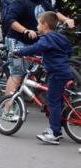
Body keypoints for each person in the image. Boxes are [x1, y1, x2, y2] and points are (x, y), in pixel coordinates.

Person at [3, 0, 75, 110]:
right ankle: (8, 109)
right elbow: (10, 20)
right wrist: (25, 30)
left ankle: (29, 94)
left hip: (34, 40)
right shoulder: (21, 1)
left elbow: (53, 13)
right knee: (17, 74)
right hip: (17, 39)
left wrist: (66, 19)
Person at [13, 11, 73, 145]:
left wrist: (19, 52)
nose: (37, 26)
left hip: (56, 73)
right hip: (64, 71)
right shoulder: (60, 37)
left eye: (39, 23)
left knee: (53, 102)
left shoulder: (47, 39)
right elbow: (68, 51)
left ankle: (54, 133)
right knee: (59, 101)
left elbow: (35, 47)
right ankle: (59, 127)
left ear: (45, 25)